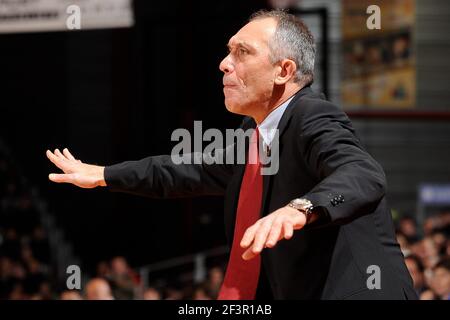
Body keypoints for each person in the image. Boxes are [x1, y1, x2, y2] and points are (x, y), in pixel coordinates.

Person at [46, 10, 417, 299]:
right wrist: (105, 174)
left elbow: (364, 174)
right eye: (228, 52)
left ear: (283, 70)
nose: (224, 63)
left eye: (242, 53)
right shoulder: (254, 134)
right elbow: (183, 170)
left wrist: (301, 207)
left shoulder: (312, 115)